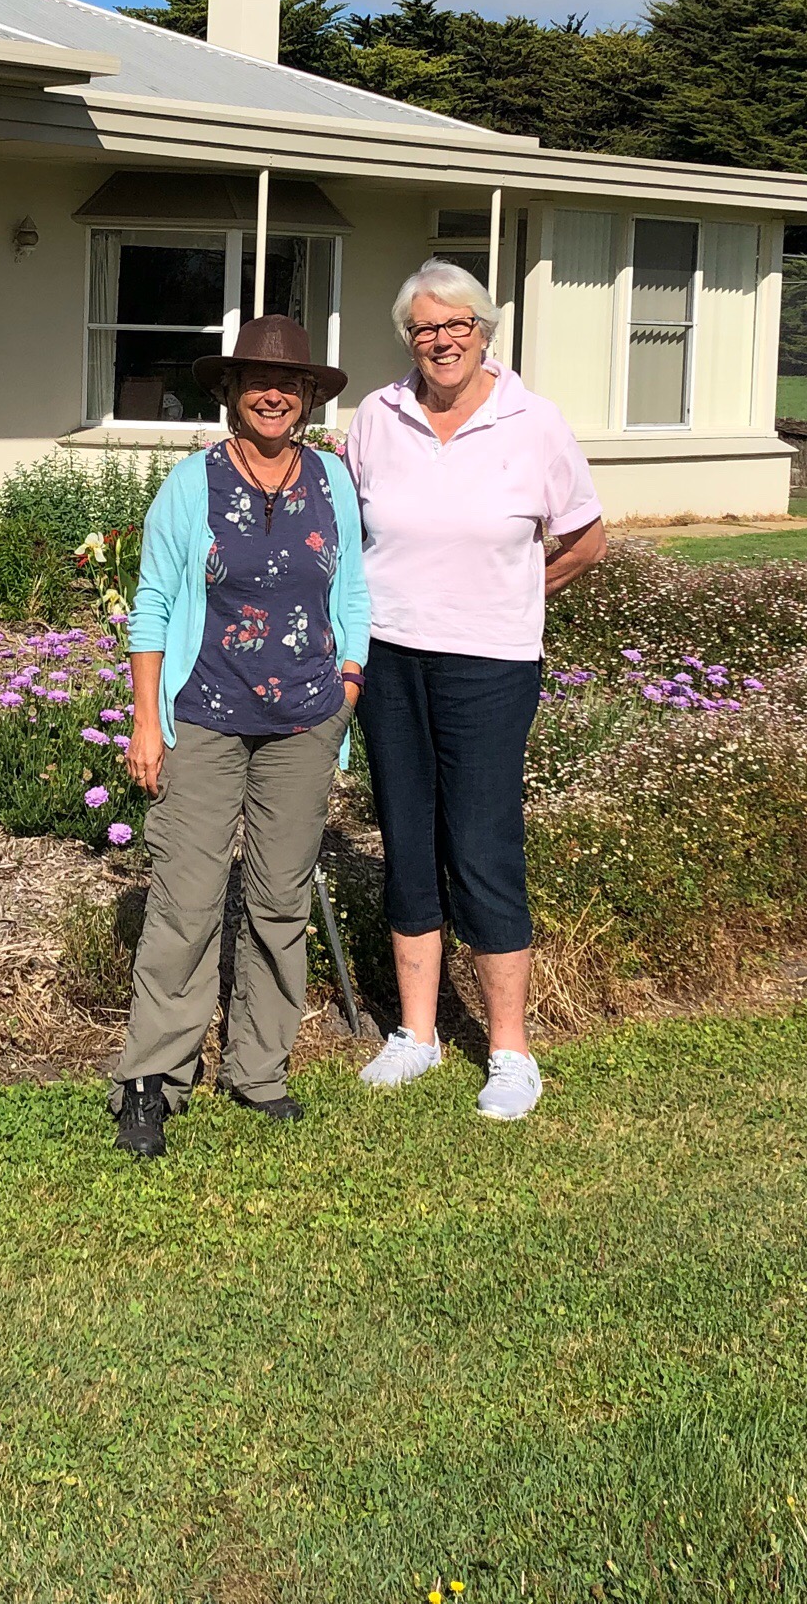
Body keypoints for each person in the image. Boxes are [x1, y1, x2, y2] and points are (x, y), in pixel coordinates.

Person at [342, 260, 606, 1122]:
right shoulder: (376, 417)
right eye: (424, 328)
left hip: (490, 666)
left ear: (484, 332)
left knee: (484, 844)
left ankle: (509, 1051)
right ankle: (416, 1034)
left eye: (457, 325)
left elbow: (585, 541)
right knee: (407, 838)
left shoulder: (534, 422)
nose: (441, 340)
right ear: (408, 338)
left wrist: (519, 591)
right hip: (390, 659)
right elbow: (348, 533)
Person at [111, 314, 371, 1159]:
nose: (273, 394)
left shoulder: (331, 481)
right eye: (257, 380)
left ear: (307, 397)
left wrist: (348, 683)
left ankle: (259, 1070)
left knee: (279, 901)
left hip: (305, 721)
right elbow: (154, 602)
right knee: (184, 903)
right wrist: (145, 720)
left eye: (288, 383)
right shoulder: (192, 484)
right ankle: (154, 1079)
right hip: (205, 716)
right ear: (229, 390)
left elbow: (354, 592)